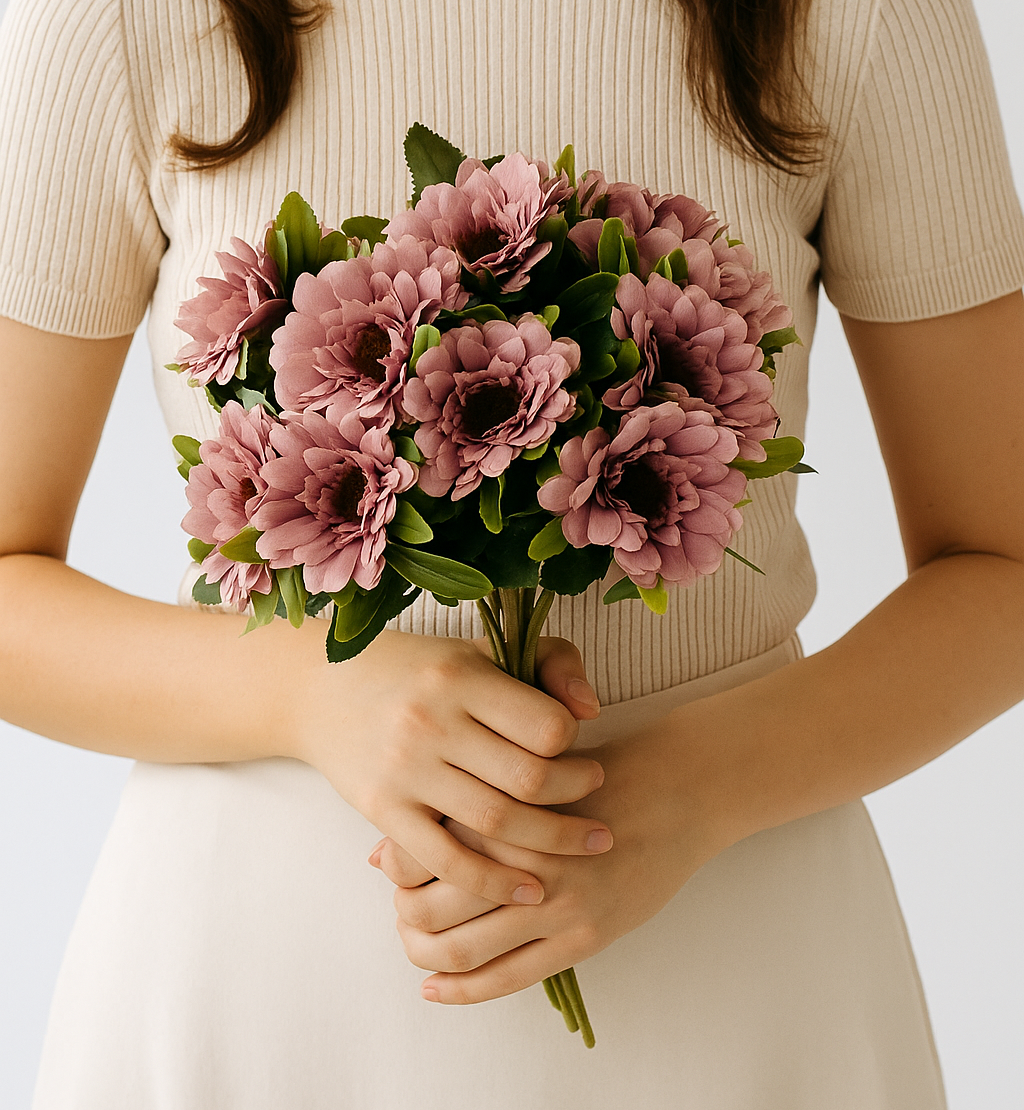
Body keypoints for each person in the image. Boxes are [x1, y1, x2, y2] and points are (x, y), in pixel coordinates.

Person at [0, 0, 1021, 1106]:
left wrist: (692, 793)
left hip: (741, 960)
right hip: (254, 991)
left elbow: (1000, 562)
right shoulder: (114, 17)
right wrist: (304, 693)